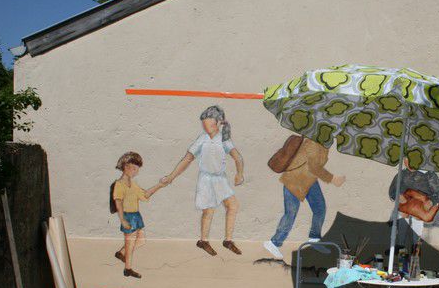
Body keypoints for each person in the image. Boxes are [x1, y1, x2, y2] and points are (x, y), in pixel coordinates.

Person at [163, 106, 244, 256]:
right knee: (208, 210)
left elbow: (238, 157)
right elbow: (187, 159)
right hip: (206, 180)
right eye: (205, 126)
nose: (207, 129)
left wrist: (239, 174)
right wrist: (171, 177)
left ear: (219, 123)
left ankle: (228, 240)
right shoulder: (202, 139)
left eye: (211, 125)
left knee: (232, 205)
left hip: (220, 179)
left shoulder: (224, 139)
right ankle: (203, 241)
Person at [263, 137, 345, 260]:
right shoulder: (314, 142)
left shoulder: (323, 144)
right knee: (291, 213)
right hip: (295, 179)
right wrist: (333, 179)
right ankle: (274, 243)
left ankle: (314, 238)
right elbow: (313, 166)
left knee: (320, 208)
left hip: (309, 180)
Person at [112, 152, 166, 278]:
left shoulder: (133, 184)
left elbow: (145, 195)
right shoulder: (119, 185)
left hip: (136, 216)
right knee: (130, 243)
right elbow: (118, 203)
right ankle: (128, 269)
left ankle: (121, 253)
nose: (137, 172)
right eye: (135, 169)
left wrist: (159, 185)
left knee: (141, 240)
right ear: (126, 166)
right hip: (128, 216)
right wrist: (123, 220)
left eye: (137, 169)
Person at [388, 157, 439, 244]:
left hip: (421, 209)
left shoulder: (429, 175)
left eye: (411, 160)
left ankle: (416, 247)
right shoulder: (402, 174)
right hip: (406, 206)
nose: (408, 163)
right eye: (406, 161)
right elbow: (393, 190)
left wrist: (431, 201)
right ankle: (400, 244)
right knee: (402, 217)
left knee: (417, 220)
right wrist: (397, 196)